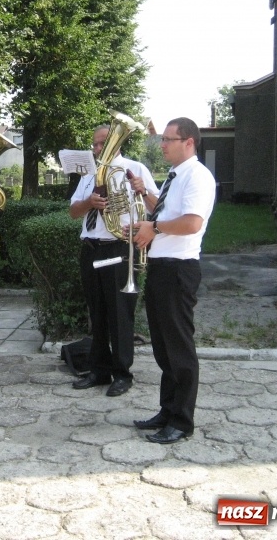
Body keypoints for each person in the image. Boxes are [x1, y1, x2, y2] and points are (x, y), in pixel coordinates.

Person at [127, 117, 216, 444]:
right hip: (162, 267)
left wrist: (154, 228)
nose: (162, 144)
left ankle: (181, 421)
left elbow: (192, 223)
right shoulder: (175, 175)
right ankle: (168, 411)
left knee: (179, 348)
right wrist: (145, 201)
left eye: (168, 139)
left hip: (179, 270)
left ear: (188, 142)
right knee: (164, 348)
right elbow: (163, 214)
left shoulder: (197, 176)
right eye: (163, 139)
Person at [69, 124, 159, 397]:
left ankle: (122, 374)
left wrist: (142, 190)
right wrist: (89, 203)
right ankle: (99, 370)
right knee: (96, 313)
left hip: (119, 248)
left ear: (116, 143)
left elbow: (157, 208)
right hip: (91, 248)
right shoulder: (89, 174)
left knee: (120, 314)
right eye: (95, 144)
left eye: (102, 143)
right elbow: (73, 211)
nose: (98, 149)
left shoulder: (135, 168)